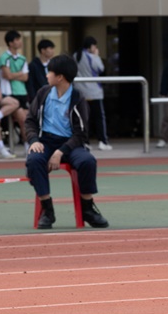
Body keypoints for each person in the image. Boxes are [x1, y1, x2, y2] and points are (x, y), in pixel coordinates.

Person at [26, 53, 110, 230]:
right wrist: (33, 140)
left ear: (60, 77)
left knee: (87, 161)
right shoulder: (43, 94)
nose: (46, 75)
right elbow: (30, 121)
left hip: (71, 144)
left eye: (49, 72)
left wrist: (61, 151)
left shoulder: (78, 99)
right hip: (46, 141)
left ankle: (87, 208)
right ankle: (47, 209)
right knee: (34, 160)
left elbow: (81, 134)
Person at [75, 36, 111, 151]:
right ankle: (102, 141)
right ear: (91, 46)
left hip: (80, 91)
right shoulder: (92, 57)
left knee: (83, 118)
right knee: (99, 117)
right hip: (94, 91)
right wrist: (96, 56)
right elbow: (100, 68)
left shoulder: (75, 56)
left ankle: (85, 141)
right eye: (95, 46)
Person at [0, 30, 31, 142]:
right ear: (10, 43)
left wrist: (13, 75)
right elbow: (7, 75)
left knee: (26, 122)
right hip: (10, 93)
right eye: (17, 40)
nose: (19, 42)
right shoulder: (4, 57)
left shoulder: (22, 58)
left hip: (22, 92)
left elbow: (25, 77)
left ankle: (28, 146)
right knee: (23, 120)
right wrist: (19, 73)